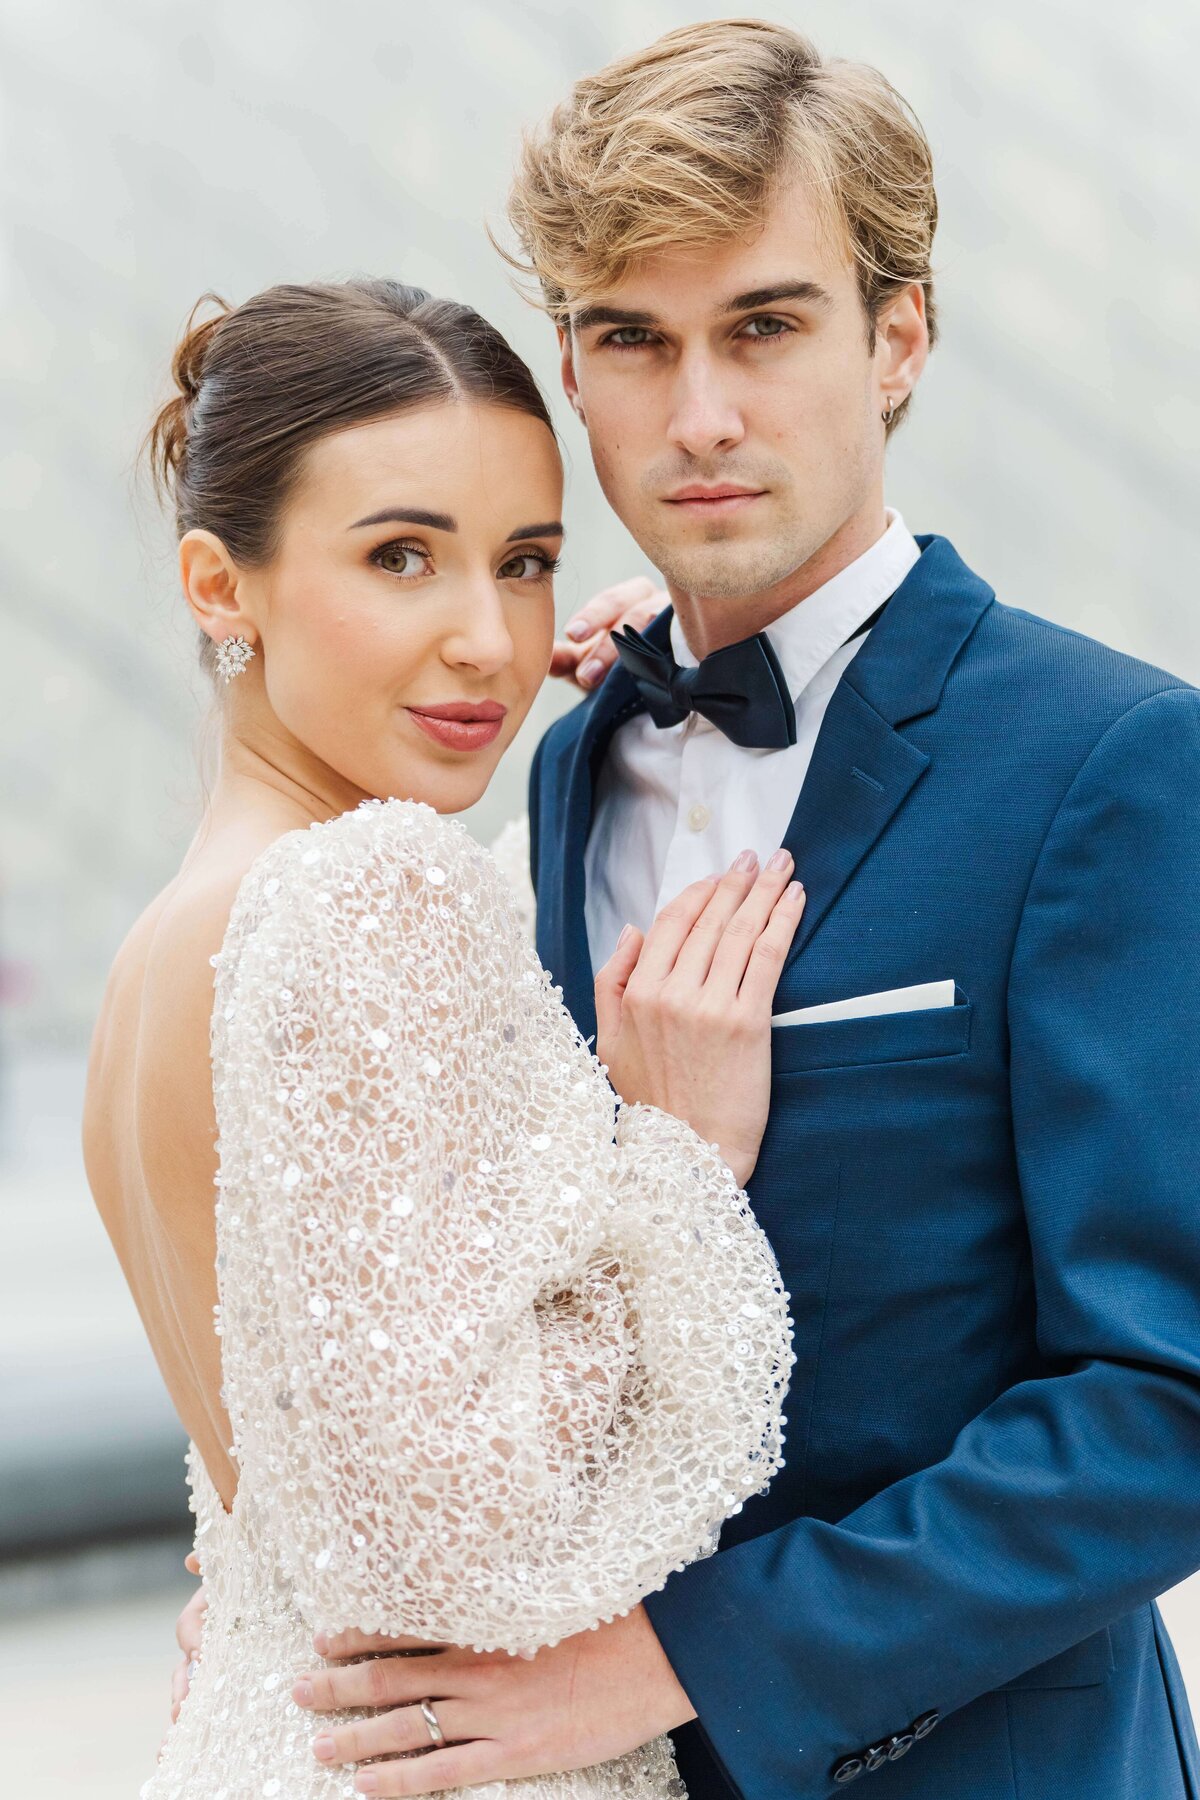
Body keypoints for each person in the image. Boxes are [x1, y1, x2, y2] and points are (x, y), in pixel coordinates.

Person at [290, 20, 1200, 1800]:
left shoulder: (1115, 763)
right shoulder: (563, 769)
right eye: (633, 341)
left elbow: (1166, 1407)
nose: (698, 415)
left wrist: (672, 1665)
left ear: (901, 337)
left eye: (766, 327)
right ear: (572, 364)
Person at [83, 275, 809, 1800]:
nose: (488, 638)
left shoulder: (167, 950)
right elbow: (466, 1520)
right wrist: (678, 1166)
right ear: (223, 585)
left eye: (525, 561)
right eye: (403, 557)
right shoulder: (373, 894)